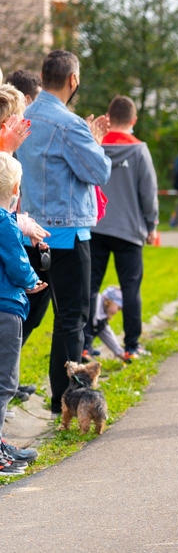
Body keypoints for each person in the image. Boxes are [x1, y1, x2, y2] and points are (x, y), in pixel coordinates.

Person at [16, 50, 112, 417]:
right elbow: (98, 172)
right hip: (67, 235)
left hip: (27, 233)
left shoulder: (22, 117)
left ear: (42, 76)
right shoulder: (68, 125)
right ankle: (65, 401)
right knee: (71, 317)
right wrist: (94, 140)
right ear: (73, 81)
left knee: (25, 314)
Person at [87, 95, 158, 363]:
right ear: (134, 120)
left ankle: (84, 344)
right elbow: (148, 192)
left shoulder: (96, 144)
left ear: (108, 116)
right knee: (131, 288)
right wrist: (152, 224)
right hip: (129, 230)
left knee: (91, 287)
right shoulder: (139, 150)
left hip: (95, 226)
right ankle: (132, 345)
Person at [0, 151, 48, 474]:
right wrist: (33, 280)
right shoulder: (6, 223)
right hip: (6, 309)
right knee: (4, 382)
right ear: (16, 189)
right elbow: (18, 265)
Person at [82, 286, 126, 361]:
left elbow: (107, 334)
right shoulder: (94, 307)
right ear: (110, 301)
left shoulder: (101, 317)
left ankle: (88, 349)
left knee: (96, 329)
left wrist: (120, 352)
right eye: (118, 308)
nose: (117, 312)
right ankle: (84, 350)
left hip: (84, 338)